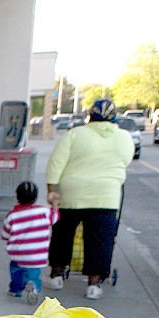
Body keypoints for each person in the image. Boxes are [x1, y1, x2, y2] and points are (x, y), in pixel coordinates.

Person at [44, 97, 133, 300]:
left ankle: (57, 275)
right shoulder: (124, 137)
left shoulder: (74, 134)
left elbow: (55, 164)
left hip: (71, 193)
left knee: (62, 234)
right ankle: (94, 283)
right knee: (101, 239)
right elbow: (126, 160)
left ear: (90, 115)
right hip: (106, 195)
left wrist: (52, 191)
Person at [1, 181, 57, 303]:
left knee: (16, 271)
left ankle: (16, 289)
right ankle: (33, 285)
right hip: (37, 254)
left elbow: (5, 235)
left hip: (18, 254)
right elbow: (55, 216)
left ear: (17, 197)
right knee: (34, 273)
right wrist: (54, 203)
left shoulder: (12, 215)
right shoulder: (44, 212)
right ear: (36, 197)